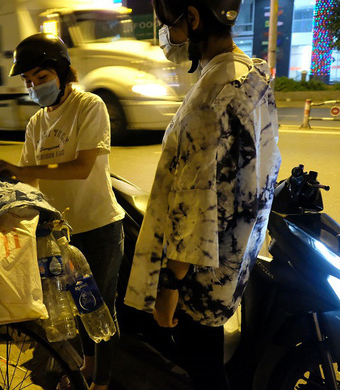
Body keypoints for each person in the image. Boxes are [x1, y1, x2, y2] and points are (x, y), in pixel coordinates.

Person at [124, 0, 282, 389]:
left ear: (193, 19)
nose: (166, 36)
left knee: (204, 370)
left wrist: (170, 285)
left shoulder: (210, 100)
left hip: (201, 276)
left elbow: (197, 206)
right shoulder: (253, 72)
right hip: (236, 256)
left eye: (168, 25)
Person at [0, 33, 125, 390]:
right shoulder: (36, 123)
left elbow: (81, 167)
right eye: (28, 80)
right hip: (61, 231)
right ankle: (82, 370)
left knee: (99, 308)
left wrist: (20, 171)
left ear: (62, 72)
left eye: (41, 77)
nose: (34, 86)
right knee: (69, 307)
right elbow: (31, 184)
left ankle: (102, 381)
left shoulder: (89, 106)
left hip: (98, 226)